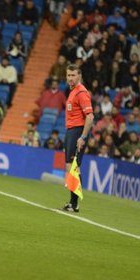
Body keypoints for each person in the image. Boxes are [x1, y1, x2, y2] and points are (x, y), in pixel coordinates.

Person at [63, 63, 94, 213]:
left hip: (77, 131)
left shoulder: (81, 93)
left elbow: (90, 116)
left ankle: (75, 203)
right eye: (68, 75)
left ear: (79, 76)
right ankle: (72, 202)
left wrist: (83, 136)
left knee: (74, 166)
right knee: (70, 166)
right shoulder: (73, 91)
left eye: (73, 75)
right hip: (71, 130)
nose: (70, 78)